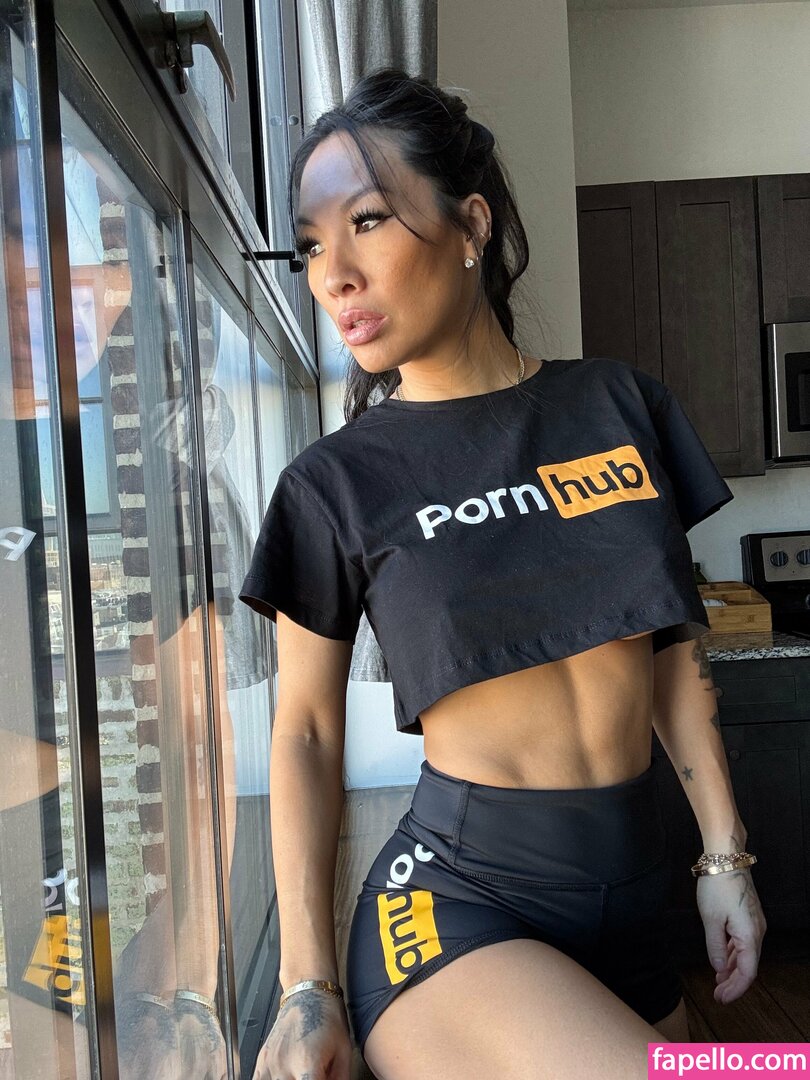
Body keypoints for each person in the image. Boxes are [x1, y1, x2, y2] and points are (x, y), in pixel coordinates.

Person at [239, 68, 767, 1080]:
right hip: (456, 907)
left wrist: (723, 853)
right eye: (311, 246)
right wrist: (307, 987)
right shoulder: (334, 483)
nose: (333, 275)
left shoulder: (620, 405)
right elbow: (303, 730)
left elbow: (670, 646)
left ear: (471, 224)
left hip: (635, 895)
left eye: (368, 222)